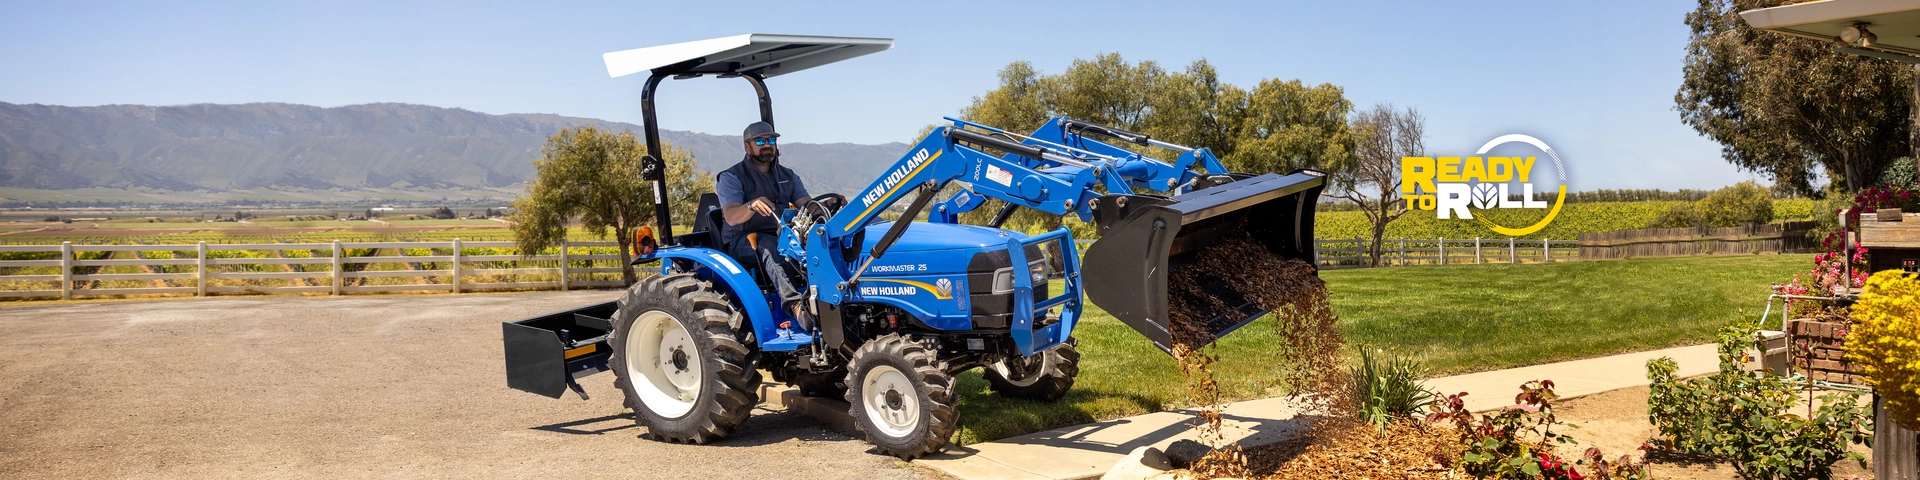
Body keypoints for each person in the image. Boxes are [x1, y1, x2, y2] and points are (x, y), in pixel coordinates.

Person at [716, 121, 817, 331]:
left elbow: (808, 207)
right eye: (760, 141)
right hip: (742, 241)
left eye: (771, 140)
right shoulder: (732, 177)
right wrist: (751, 206)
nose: (767, 145)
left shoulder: (788, 175)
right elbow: (732, 216)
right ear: (747, 146)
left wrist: (828, 206)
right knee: (769, 244)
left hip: (783, 236)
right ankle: (796, 305)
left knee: (820, 238)